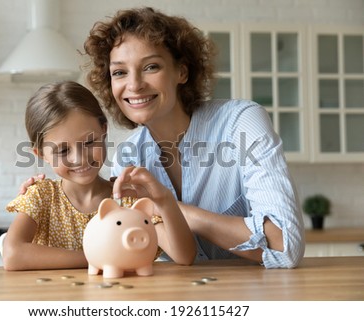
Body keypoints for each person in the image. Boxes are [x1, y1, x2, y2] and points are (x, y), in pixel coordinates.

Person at [20, 7, 305, 269]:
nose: (134, 85)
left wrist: (177, 210)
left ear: (182, 70)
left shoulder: (241, 122)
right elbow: (127, 246)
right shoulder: (129, 157)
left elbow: (285, 246)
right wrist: (47, 197)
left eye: (151, 67)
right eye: (120, 72)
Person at [3, 80, 195, 271]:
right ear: (41, 154)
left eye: (89, 142)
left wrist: (164, 200)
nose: (79, 158)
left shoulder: (128, 200)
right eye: (62, 151)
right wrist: (99, 258)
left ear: (104, 129)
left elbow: (184, 256)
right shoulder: (41, 196)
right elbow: (12, 255)